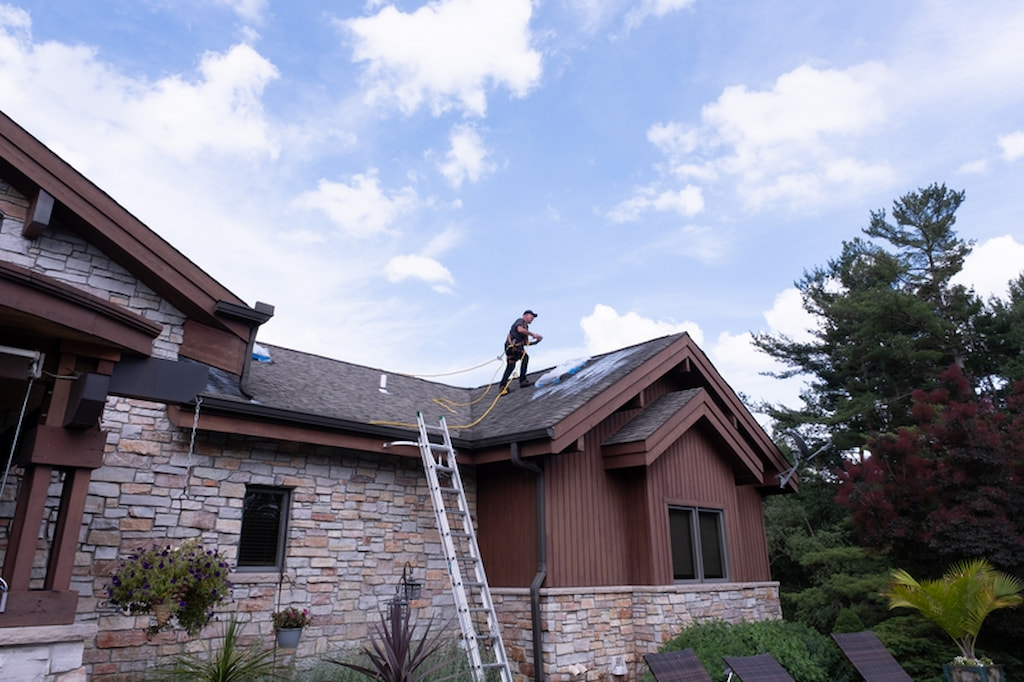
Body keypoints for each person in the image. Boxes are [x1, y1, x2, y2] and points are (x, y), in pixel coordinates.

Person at [499, 309, 542, 393]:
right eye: (531, 316)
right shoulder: (520, 321)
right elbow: (520, 330)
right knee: (525, 358)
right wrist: (533, 334)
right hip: (512, 347)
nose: (532, 318)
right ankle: (522, 381)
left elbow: (526, 343)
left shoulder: (526, 327)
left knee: (510, 367)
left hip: (512, 348)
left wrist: (536, 342)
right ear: (525, 316)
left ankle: (502, 386)